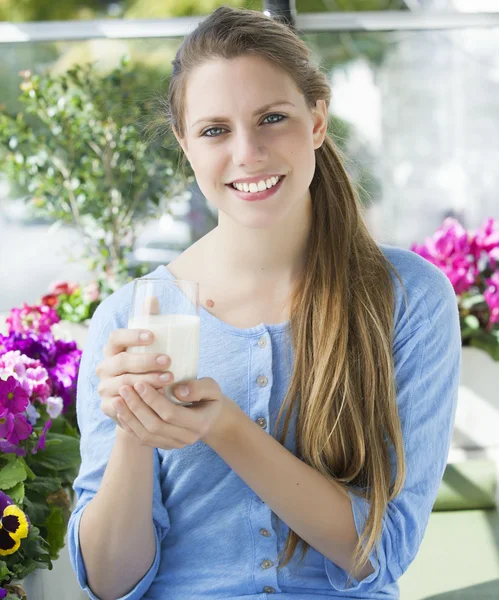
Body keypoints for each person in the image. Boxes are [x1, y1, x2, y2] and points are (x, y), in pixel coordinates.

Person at [67, 5, 462, 600]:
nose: (247, 152)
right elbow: (108, 582)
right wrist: (135, 430)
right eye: (214, 130)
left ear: (317, 122)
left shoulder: (408, 299)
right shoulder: (129, 318)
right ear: (185, 146)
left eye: (272, 118)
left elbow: (380, 553)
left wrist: (226, 426)